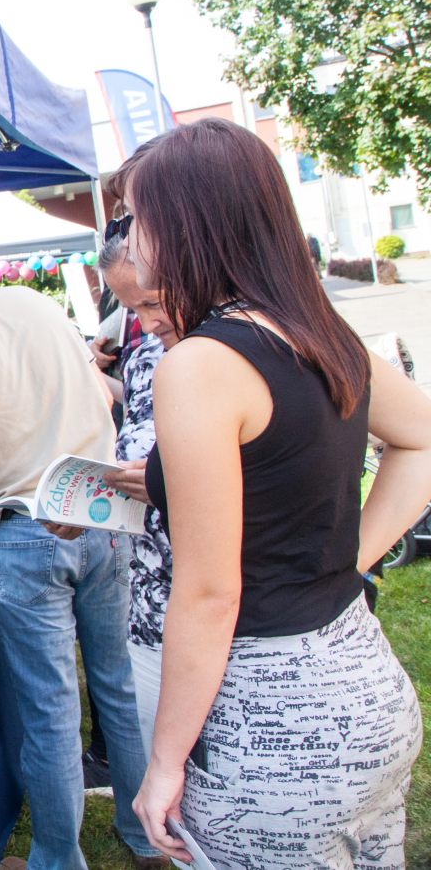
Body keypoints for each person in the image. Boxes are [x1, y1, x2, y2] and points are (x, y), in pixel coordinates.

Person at [118, 119, 431, 867]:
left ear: (191, 223)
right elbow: (420, 437)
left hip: (273, 725)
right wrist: (342, 559)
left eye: (138, 219)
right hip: (366, 684)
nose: (128, 240)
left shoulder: (199, 363)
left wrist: (164, 762)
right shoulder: (315, 330)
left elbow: (208, 591)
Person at [0, 283, 162, 870]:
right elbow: (102, 395)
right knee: (116, 686)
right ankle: (143, 832)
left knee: (50, 710)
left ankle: (55, 858)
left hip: (31, 528)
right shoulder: (31, 301)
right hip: (101, 508)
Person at [93, 230, 178, 762]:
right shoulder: (148, 352)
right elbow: (142, 426)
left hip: (208, 605)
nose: (145, 323)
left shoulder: (229, 352)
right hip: (151, 595)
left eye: (150, 302)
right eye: (131, 309)